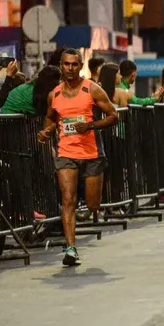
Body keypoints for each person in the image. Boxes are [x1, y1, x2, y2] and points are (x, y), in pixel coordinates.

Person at [37, 49, 119, 266]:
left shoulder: (92, 89)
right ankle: (71, 248)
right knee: (67, 199)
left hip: (92, 153)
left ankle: (86, 206)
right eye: (66, 64)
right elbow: (51, 118)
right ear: (61, 66)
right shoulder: (54, 94)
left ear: (80, 66)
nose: (70, 68)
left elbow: (114, 116)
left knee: (93, 205)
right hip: (66, 152)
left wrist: (90, 125)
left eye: (74, 64)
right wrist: (47, 131)